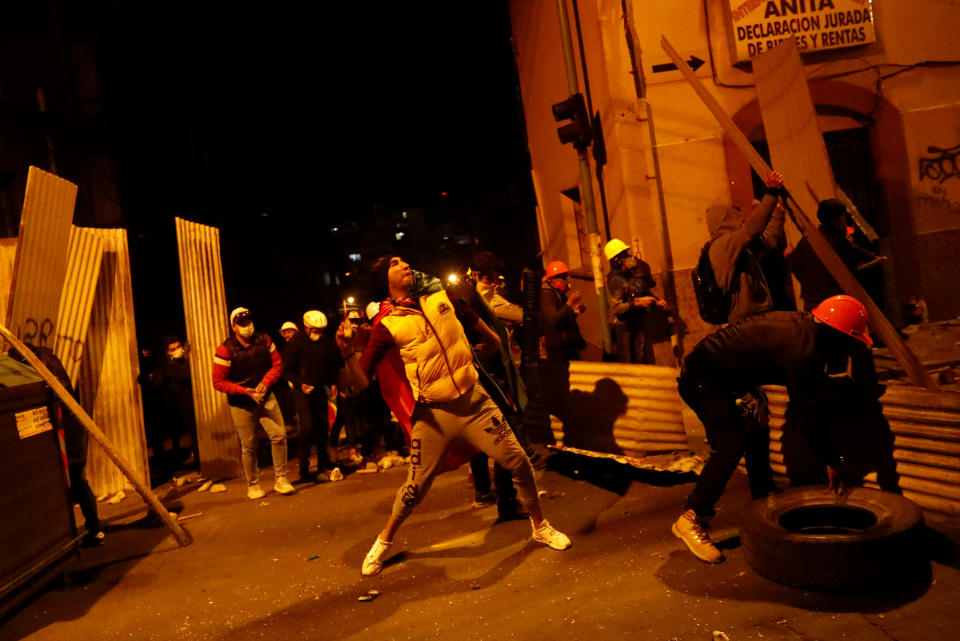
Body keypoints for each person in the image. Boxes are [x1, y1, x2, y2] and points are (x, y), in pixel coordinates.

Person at [336, 255, 571, 576]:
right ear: (384, 281)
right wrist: (348, 353)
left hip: (475, 403)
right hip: (433, 414)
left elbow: (490, 336)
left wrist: (478, 361)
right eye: (395, 263)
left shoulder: (442, 298)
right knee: (414, 488)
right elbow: (361, 382)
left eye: (405, 261)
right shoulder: (387, 325)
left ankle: (540, 526)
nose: (405, 264)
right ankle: (384, 540)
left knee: (518, 461)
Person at [672, 295, 895, 563]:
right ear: (836, 334)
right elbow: (806, 413)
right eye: (851, 342)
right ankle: (693, 516)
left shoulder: (807, 330)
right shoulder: (805, 350)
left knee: (757, 422)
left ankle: (762, 495)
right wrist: (832, 459)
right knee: (729, 446)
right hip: (702, 379)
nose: (850, 350)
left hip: (730, 376)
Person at [10, 345, 103, 546]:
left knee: (66, 484)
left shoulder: (39, 368)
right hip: (72, 429)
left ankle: (77, 533)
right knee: (77, 481)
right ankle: (93, 529)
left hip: (64, 434)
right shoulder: (50, 360)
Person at [212, 307, 294, 499]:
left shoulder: (264, 340)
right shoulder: (224, 350)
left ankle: (281, 479)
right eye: (242, 324)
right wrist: (244, 391)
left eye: (248, 322)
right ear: (234, 327)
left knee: (279, 435)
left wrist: (266, 382)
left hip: (266, 396)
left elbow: (277, 364)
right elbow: (218, 382)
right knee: (249, 445)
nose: (247, 327)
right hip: (241, 403)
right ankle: (253, 485)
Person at [704, 170, 785, 323]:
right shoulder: (722, 245)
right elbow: (753, 228)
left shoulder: (737, 247)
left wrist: (777, 211)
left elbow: (769, 240)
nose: (741, 218)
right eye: (736, 215)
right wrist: (771, 193)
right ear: (727, 218)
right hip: (746, 319)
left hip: (757, 314)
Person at [786, 198, 887, 311]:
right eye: (843, 216)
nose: (845, 221)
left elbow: (793, 264)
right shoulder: (837, 242)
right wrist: (873, 257)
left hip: (811, 303)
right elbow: (854, 259)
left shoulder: (808, 239)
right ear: (836, 219)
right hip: (834, 304)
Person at [282, 310, 344, 482]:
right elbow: (286, 370)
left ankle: (323, 463)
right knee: (307, 426)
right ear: (306, 328)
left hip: (319, 388)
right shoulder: (296, 343)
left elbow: (334, 363)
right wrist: (300, 384)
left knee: (323, 426)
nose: (319, 334)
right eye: (315, 330)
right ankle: (304, 467)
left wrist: (333, 382)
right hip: (301, 389)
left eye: (321, 330)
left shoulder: (327, 341)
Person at [604, 238, 667, 364]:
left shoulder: (628, 275)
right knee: (630, 362)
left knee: (641, 359)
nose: (628, 257)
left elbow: (639, 292)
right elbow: (616, 308)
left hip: (635, 323)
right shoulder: (616, 280)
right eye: (624, 255)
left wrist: (655, 301)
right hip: (624, 328)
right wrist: (637, 303)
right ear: (616, 260)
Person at [148, 336, 199, 470]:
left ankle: (196, 459)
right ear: (168, 352)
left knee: (194, 432)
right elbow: (184, 374)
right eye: (173, 349)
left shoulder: (183, 361)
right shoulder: (167, 366)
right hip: (178, 404)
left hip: (187, 403)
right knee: (183, 433)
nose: (178, 350)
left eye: (178, 347)